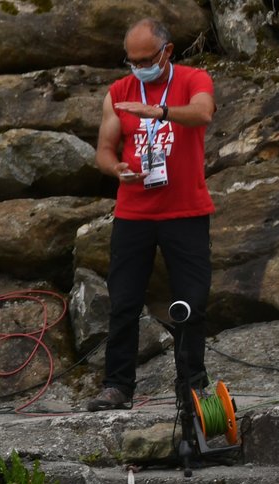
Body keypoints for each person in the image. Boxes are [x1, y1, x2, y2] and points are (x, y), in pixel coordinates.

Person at [87, 17, 216, 412]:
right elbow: (104, 150)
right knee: (124, 300)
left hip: (186, 211)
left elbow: (202, 113)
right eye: (132, 59)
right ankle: (117, 385)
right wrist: (116, 169)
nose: (139, 65)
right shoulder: (118, 92)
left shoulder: (194, 78)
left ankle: (192, 385)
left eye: (146, 58)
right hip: (133, 214)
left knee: (190, 300)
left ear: (167, 52)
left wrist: (157, 111)